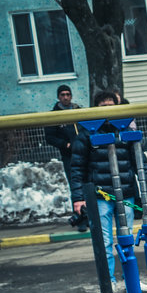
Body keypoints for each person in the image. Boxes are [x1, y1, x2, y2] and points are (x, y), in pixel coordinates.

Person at [68, 90, 147, 287]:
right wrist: (78, 198)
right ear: (96, 108)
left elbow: (140, 163)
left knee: (127, 240)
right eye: (103, 107)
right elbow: (77, 168)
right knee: (105, 243)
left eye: (112, 106)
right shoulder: (86, 134)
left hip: (125, 194)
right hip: (100, 197)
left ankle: (131, 281)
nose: (108, 110)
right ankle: (108, 283)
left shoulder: (126, 131)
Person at [44, 85, 86, 231]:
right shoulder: (54, 115)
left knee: (88, 183)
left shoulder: (78, 110)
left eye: (68, 94)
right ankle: (80, 218)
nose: (66, 97)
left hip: (84, 153)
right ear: (58, 97)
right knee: (76, 186)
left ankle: (91, 215)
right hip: (69, 156)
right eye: (62, 95)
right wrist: (65, 144)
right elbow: (49, 137)